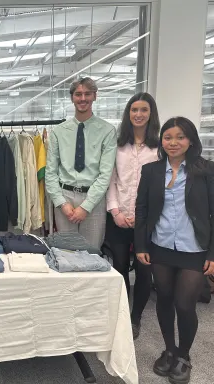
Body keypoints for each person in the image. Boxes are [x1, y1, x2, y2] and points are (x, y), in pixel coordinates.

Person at [135, 116, 214, 384]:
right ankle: (169, 349)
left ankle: (184, 355)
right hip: (161, 246)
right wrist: (142, 245)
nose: (173, 142)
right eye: (168, 137)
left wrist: (213, 254)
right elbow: (142, 210)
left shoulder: (206, 170)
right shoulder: (152, 171)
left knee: (185, 304)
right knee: (165, 299)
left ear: (190, 140)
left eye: (180, 137)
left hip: (194, 249)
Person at [105, 92, 159, 340]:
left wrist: (143, 217)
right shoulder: (117, 145)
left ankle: (135, 317)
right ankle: (122, 313)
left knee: (144, 269)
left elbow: (160, 187)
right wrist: (115, 211)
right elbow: (111, 180)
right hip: (118, 216)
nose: (138, 114)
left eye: (144, 110)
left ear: (151, 114)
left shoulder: (159, 148)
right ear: (128, 114)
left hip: (146, 221)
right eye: (134, 110)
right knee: (119, 267)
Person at [45, 77, 117, 249]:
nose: (82, 98)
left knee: (91, 253)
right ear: (72, 98)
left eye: (87, 94)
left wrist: (86, 207)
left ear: (95, 96)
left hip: (94, 199)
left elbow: (105, 174)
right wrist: (61, 202)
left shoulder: (107, 131)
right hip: (65, 199)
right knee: (66, 254)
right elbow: (51, 172)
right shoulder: (58, 132)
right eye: (78, 94)